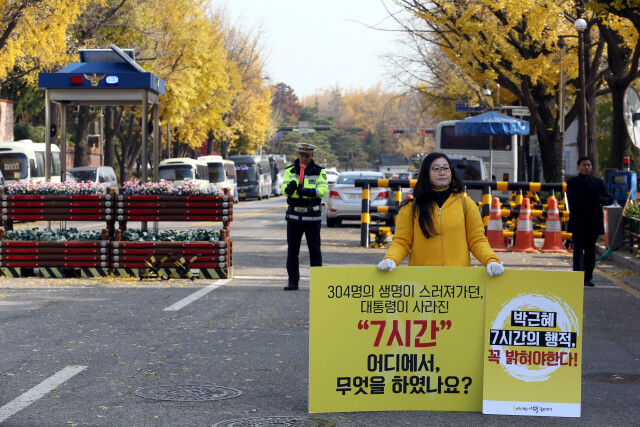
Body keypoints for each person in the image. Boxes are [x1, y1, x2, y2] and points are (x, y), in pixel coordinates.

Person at [377, 152, 504, 276]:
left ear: (451, 172)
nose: (442, 172)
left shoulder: (467, 205)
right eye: (436, 169)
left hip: (458, 280)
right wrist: (391, 258)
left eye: (445, 168)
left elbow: (477, 241)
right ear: (426, 173)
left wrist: (491, 260)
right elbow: (401, 242)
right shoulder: (411, 208)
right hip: (422, 280)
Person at [282, 143, 329, 291]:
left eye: (307, 155)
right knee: (292, 251)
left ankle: (317, 283)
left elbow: (323, 190)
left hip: (312, 216)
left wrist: (308, 191)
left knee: (314, 250)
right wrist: (289, 189)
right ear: (298, 155)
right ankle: (293, 281)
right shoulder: (290, 171)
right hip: (294, 216)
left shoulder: (319, 171)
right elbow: (284, 188)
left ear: (312, 156)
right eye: (301, 155)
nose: (304, 158)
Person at [566, 156, 613, 287]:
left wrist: (600, 202)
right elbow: (573, 203)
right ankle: (577, 276)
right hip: (578, 221)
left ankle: (588, 277)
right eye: (584, 165)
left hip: (593, 222)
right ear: (578, 167)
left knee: (590, 251)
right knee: (578, 251)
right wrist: (592, 206)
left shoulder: (598, 183)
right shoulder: (572, 183)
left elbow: (609, 198)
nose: (587, 167)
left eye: (589, 165)